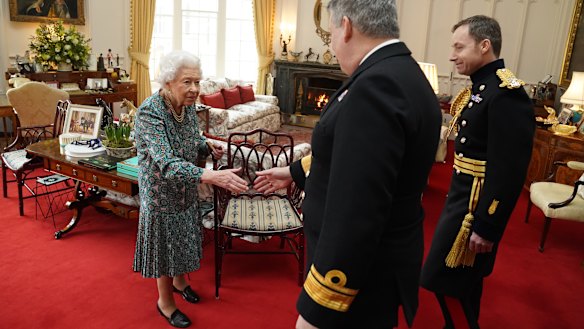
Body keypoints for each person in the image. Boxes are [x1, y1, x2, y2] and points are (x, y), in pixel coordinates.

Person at [253, 0, 442, 328]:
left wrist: (320, 304)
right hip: (383, 261)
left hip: (359, 277)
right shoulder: (402, 72)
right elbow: (355, 158)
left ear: (347, 26)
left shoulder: (374, 87)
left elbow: (357, 208)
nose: (333, 42)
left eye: (331, 31)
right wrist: (295, 172)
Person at [420, 15, 535, 329]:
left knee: (444, 278)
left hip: (475, 208)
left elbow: (509, 170)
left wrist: (488, 224)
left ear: (485, 46)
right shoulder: (482, 88)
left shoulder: (506, 94)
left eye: (460, 46)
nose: (452, 55)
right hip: (461, 197)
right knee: (464, 282)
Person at [133, 50, 248, 328]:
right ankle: (165, 302)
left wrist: (207, 146)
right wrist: (210, 176)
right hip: (160, 194)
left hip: (185, 189)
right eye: (187, 82)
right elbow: (167, 163)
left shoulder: (186, 109)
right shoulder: (150, 112)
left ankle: (180, 281)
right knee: (166, 247)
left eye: (197, 82)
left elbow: (191, 141)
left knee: (183, 236)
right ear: (168, 82)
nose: (195, 89)